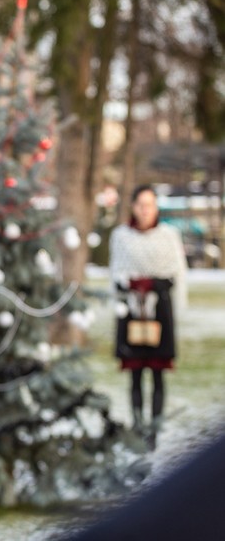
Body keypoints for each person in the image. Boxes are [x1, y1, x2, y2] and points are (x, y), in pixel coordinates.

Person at [109, 184, 187, 450]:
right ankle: (137, 423)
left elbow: (176, 273)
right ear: (132, 206)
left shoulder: (168, 236)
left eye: (150, 204)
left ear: (156, 207)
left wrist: (153, 284)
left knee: (157, 373)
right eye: (140, 204)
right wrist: (130, 286)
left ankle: (154, 428)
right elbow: (116, 272)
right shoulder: (120, 236)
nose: (145, 210)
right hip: (131, 311)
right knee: (135, 374)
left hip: (160, 311)